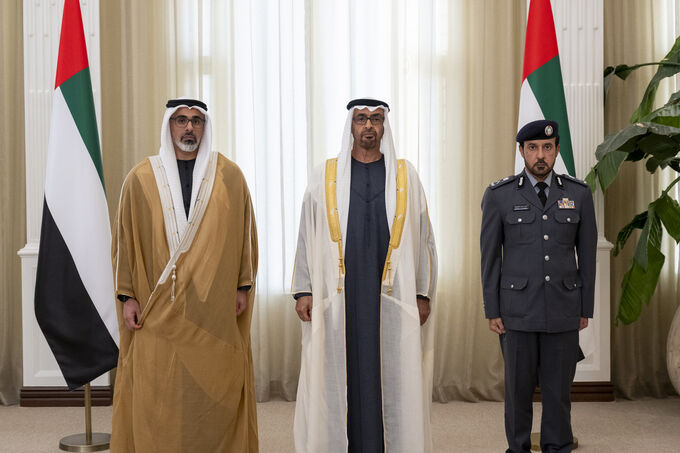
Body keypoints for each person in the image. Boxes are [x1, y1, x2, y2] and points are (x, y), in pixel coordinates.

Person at [110, 98, 259, 452]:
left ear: (205, 127)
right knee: (158, 389)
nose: (189, 128)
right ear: (169, 126)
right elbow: (124, 243)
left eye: (196, 121)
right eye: (181, 121)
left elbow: (245, 237)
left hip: (213, 305)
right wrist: (127, 295)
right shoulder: (141, 178)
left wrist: (242, 286)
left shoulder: (230, 177)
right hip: (155, 306)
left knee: (214, 388)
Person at [291, 98, 438, 452]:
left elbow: (423, 239)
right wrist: (303, 290)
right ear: (351, 126)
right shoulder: (325, 174)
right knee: (340, 374)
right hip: (340, 298)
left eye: (375, 119)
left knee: (389, 375)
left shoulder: (404, 175)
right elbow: (306, 234)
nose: (368, 126)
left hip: (392, 298)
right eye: (361, 119)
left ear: (384, 126)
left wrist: (422, 293)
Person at [480, 119, 597, 453]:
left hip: (563, 308)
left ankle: (557, 446)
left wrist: (584, 307)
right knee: (517, 392)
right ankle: (517, 448)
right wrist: (493, 310)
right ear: (522, 151)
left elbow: (587, 256)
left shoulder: (578, 194)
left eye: (547, 147)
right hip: (516, 312)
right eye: (532, 148)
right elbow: (489, 258)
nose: (540, 155)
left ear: (557, 149)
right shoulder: (499, 196)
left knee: (558, 391)